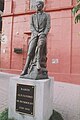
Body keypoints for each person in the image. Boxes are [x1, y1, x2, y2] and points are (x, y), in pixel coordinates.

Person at [21, 0, 51, 76]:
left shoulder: (47, 15)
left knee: (40, 45)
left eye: (38, 5)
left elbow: (48, 26)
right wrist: (36, 33)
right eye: (36, 5)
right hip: (34, 35)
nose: (36, 6)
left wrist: (43, 33)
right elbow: (31, 26)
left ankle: (38, 62)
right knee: (30, 51)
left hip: (42, 35)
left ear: (42, 6)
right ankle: (25, 68)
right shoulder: (32, 16)